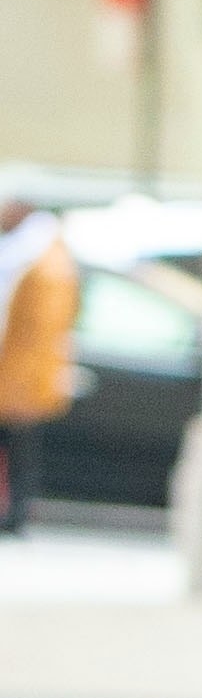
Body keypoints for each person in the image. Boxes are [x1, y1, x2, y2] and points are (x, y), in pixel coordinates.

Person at [0, 201, 80, 531]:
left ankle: (15, 516)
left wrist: (20, 383)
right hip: (21, 374)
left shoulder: (41, 263)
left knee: (19, 450)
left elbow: (37, 331)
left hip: (24, 377)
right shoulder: (36, 257)